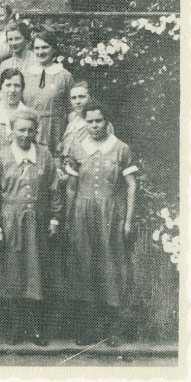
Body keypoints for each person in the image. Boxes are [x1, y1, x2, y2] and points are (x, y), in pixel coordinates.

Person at [65, 98, 138, 346]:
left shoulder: (121, 148)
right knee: (86, 267)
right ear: (84, 122)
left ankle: (113, 328)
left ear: (107, 121)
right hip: (82, 216)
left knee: (111, 266)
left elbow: (131, 186)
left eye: (99, 120)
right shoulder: (77, 146)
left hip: (111, 215)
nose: (95, 125)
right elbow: (72, 187)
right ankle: (91, 327)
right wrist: (68, 218)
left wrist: (128, 220)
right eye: (90, 121)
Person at [0, 108, 62, 346]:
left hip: (38, 223)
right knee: (14, 274)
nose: (25, 134)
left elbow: (53, 188)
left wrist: (54, 218)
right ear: (12, 131)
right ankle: (16, 326)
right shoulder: (1, 157)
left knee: (37, 274)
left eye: (30, 130)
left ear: (36, 132)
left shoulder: (44, 155)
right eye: (20, 129)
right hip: (11, 223)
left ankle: (36, 327)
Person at [24, 33, 74, 159]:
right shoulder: (25, 74)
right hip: (30, 128)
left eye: (45, 47)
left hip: (55, 130)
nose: (40, 52)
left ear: (54, 49)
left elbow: (72, 108)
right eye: (37, 48)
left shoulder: (64, 76)